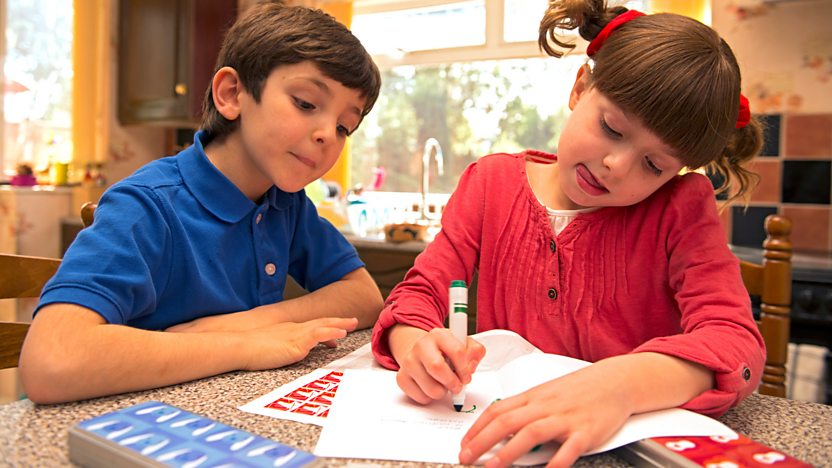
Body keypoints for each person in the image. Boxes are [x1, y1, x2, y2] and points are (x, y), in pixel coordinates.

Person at [371, 1, 765, 467]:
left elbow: (733, 341)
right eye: (612, 128)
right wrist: (417, 345)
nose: (616, 166)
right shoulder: (490, 185)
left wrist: (620, 385)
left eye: (654, 165)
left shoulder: (679, 208)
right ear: (580, 87)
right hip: (498, 440)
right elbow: (418, 294)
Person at [20, 2, 383, 404]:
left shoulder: (286, 203)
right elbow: (51, 360)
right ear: (232, 94)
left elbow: (364, 297)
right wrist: (245, 346)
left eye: (343, 126)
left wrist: (244, 325)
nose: (327, 136)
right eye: (305, 103)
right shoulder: (146, 207)